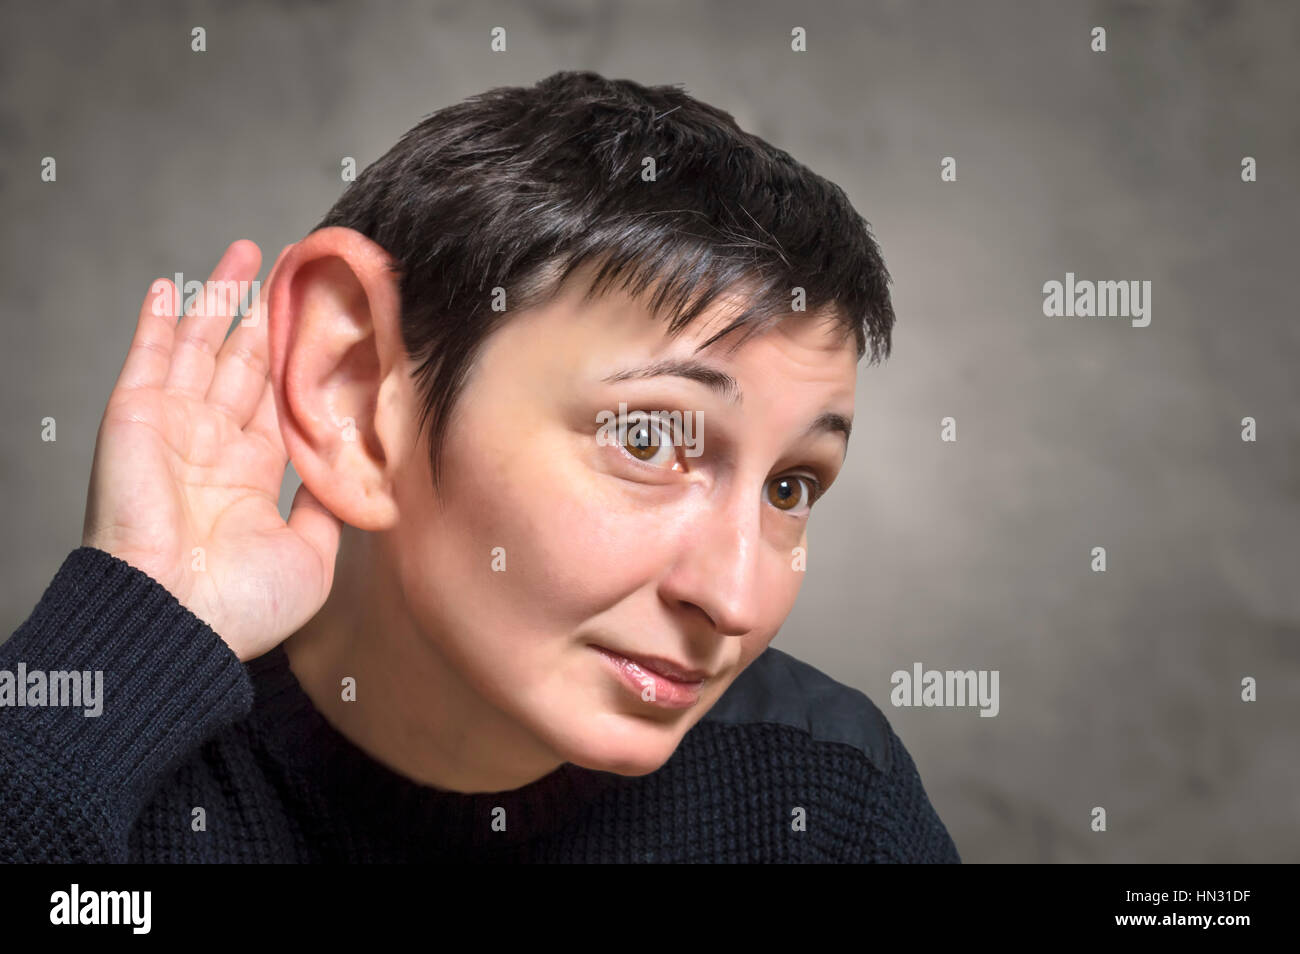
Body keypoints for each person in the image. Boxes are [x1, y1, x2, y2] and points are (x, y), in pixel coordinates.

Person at [0, 70, 960, 862]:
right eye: (649, 439)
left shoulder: (827, 796)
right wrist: (118, 649)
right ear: (358, 389)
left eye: (791, 488)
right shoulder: (98, 768)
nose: (739, 598)